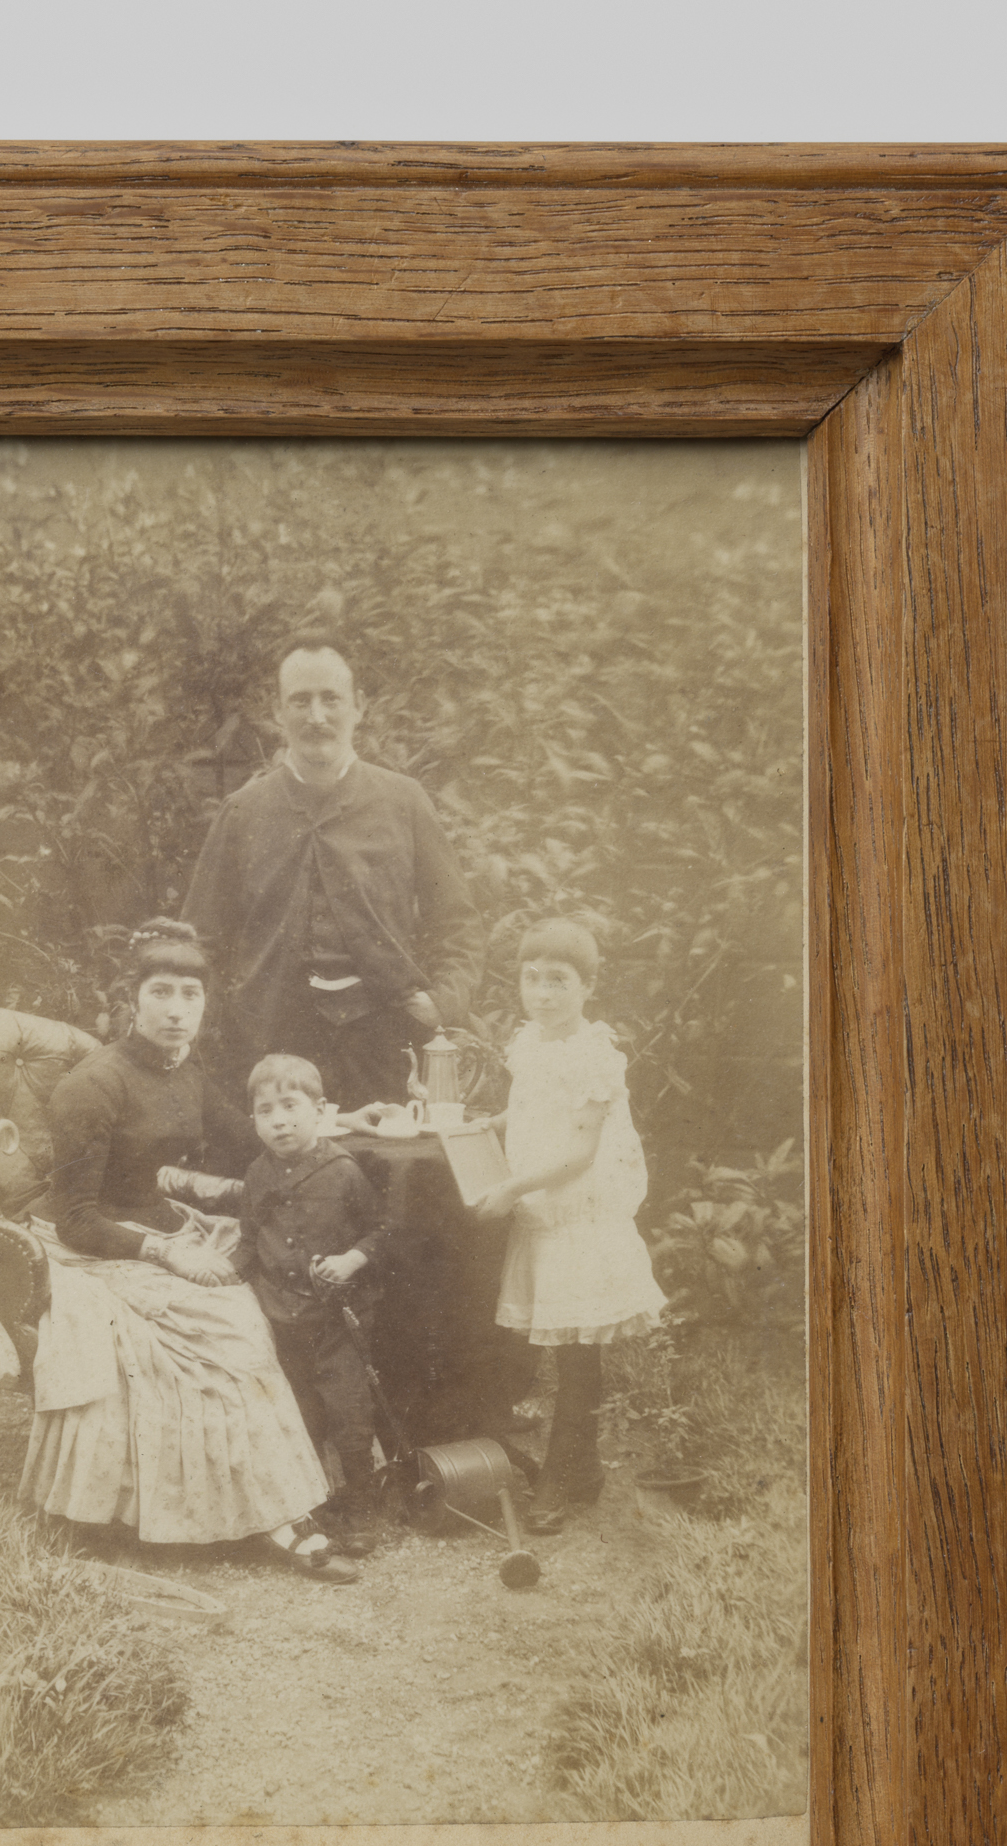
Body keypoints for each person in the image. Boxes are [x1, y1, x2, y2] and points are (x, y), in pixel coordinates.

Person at [18, 920, 359, 1580]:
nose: (177, 1010)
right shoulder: (93, 1087)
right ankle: (275, 1522)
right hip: (94, 1246)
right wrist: (169, 1256)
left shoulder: (186, 1071)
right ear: (131, 1000)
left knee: (257, 1299)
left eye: (191, 996)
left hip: (162, 1223)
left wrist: (332, 1121)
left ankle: (278, 1505)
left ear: (205, 1004)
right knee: (229, 1329)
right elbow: (77, 1220)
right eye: (161, 993)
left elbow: (246, 1133)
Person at [182, 642, 485, 1111]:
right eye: (300, 701)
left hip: (386, 1047)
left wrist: (442, 1001)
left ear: (359, 706)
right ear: (277, 712)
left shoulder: (403, 802)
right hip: (271, 1051)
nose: (317, 716)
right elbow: (200, 941)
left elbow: (457, 922)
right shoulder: (242, 813)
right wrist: (226, 1023)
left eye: (331, 699)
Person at [471, 918, 665, 1530]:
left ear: (588, 987)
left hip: (578, 1216)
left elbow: (580, 1152)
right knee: (564, 1351)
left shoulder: (595, 1056)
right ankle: (582, 1468)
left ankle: (562, 1475)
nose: (543, 993)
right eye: (531, 979)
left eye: (558, 980)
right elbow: (531, 1107)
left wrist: (510, 1187)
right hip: (542, 1211)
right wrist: (484, 1125)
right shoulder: (531, 1042)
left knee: (578, 1353)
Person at [234, 1054, 390, 1557]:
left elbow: (381, 1231)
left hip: (337, 1319)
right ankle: (312, 1501)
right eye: (265, 1111)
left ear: (320, 1111)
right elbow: (249, 1241)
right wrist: (223, 1276)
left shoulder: (342, 1170)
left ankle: (361, 1506)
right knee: (298, 1413)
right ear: (253, 1120)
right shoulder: (257, 1174)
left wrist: (352, 1259)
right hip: (280, 1317)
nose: (279, 1121)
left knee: (348, 1412)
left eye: (290, 1106)